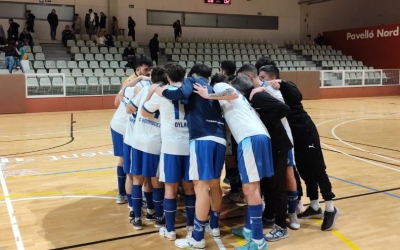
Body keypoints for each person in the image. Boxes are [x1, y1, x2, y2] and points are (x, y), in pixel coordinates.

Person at [252, 64, 340, 231]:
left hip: (306, 130)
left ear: (272, 77)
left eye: (263, 77)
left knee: (318, 169)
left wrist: (282, 83)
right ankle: (314, 206)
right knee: (305, 170)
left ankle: (330, 208)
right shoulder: (268, 92)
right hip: (294, 136)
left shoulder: (286, 85)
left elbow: (297, 95)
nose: (261, 80)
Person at [193, 76, 273, 250]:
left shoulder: (221, 86)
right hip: (258, 136)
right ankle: (248, 229)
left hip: (250, 138)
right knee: (255, 186)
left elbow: (231, 94)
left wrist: (207, 96)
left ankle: (258, 242)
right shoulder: (236, 99)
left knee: (249, 188)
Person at [159, 64, 226, 249]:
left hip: (201, 139)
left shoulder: (191, 81)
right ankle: (214, 226)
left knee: (201, 187)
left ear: (193, 75)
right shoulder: (213, 88)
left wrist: (162, 90)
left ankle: (197, 237)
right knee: (214, 184)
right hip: (219, 138)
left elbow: (179, 93)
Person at [237, 64, 293, 241]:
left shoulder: (259, 95)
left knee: (278, 187)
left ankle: (281, 227)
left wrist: (265, 120)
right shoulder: (251, 95)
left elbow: (285, 109)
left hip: (278, 144)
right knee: (268, 185)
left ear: (248, 76)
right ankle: (269, 217)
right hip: (269, 144)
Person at [142, 63, 196, 241]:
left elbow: (143, 112)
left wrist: (151, 91)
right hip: (189, 146)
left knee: (170, 189)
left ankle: (171, 230)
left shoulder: (161, 93)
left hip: (171, 148)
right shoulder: (191, 92)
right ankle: (190, 227)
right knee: (190, 189)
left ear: (168, 78)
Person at [126, 67, 167, 230]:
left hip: (138, 141)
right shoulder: (168, 93)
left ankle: (136, 218)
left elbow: (129, 109)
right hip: (155, 143)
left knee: (138, 180)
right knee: (156, 182)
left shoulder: (144, 90)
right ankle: (158, 216)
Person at [120, 57, 153, 220]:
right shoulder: (145, 89)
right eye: (146, 70)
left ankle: (135, 206)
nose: (148, 73)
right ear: (138, 69)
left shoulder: (129, 87)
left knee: (135, 176)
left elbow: (121, 101)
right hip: (135, 139)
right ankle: (135, 207)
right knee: (139, 177)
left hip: (134, 137)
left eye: (149, 70)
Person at [219, 60, 244, 205]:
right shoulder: (239, 82)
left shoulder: (226, 85)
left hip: (231, 128)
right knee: (237, 160)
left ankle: (236, 191)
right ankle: (237, 188)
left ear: (222, 71)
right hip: (240, 129)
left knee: (231, 160)